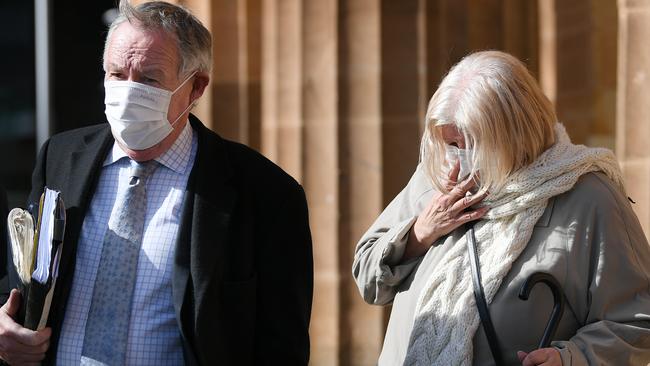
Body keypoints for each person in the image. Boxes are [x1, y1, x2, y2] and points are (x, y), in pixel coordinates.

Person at [0, 1, 313, 365]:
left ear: (195, 88)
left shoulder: (264, 194)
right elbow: (21, 279)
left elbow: (281, 345)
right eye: (117, 74)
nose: (129, 91)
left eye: (149, 79)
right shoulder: (60, 157)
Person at [353, 50, 650, 365]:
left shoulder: (589, 197)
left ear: (514, 134)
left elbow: (637, 320)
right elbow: (368, 277)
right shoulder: (434, 175)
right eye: (450, 144)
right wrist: (418, 234)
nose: (456, 162)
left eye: (471, 145)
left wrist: (572, 358)